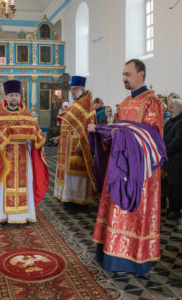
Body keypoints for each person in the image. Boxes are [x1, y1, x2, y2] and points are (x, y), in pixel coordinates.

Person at [89, 59, 165, 275]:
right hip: (120, 167)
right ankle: (111, 254)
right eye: (123, 74)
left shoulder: (152, 103)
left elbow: (150, 138)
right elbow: (119, 133)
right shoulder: (124, 103)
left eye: (128, 74)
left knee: (134, 214)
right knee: (115, 208)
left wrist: (115, 132)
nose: (123, 78)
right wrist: (102, 133)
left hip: (140, 174)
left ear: (141, 74)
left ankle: (134, 258)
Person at [0, 80, 49, 225]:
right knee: (2, 185)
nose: (14, 98)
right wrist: (0, 139)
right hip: (3, 157)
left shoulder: (27, 116)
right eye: (11, 95)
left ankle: (25, 215)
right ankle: (1, 216)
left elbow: (38, 137)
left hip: (23, 154)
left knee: (26, 184)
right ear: (5, 97)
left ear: (20, 97)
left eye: (16, 95)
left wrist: (31, 137)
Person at [53, 76, 96, 210]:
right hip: (67, 144)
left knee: (78, 175)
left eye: (75, 89)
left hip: (78, 145)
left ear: (81, 89)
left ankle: (79, 201)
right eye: (71, 89)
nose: (72, 92)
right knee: (68, 174)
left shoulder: (86, 104)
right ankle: (68, 198)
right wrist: (61, 137)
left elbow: (90, 125)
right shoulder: (77, 103)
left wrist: (83, 141)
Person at [164, 98, 182, 219]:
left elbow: (178, 141)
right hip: (169, 159)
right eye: (168, 107)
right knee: (169, 186)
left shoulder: (180, 122)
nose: (169, 110)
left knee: (177, 188)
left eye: (171, 107)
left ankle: (176, 211)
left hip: (177, 159)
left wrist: (164, 150)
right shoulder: (170, 121)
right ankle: (170, 208)